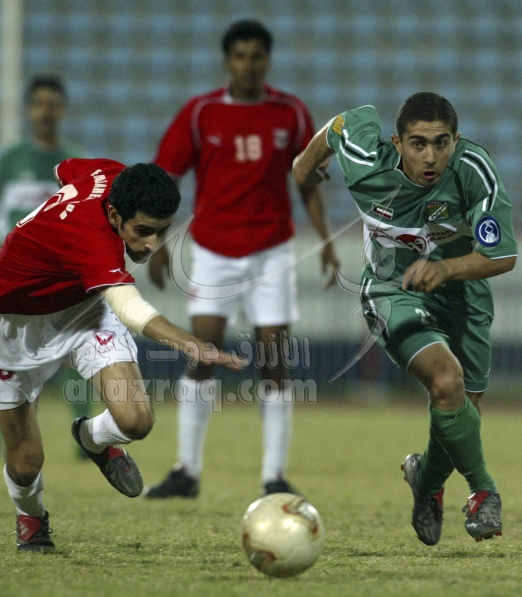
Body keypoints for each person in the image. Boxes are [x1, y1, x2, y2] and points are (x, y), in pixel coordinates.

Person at [0, 159, 246, 552]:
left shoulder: (112, 175)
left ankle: (91, 437)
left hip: (82, 308)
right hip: (11, 328)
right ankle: (31, 516)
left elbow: (65, 169)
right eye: (143, 231)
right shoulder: (92, 241)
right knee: (26, 464)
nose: (151, 243)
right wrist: (193, 344)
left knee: (136, 420)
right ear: (115, 215)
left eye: (162, 231)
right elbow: (130, 309)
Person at [293, 92, 517, 545]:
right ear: (396, 142)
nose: (430, 156)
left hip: (464, 295)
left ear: (456, 140)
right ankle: (484, 492)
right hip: (391, 290)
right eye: (418, 143)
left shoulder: (473, 169)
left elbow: (502, 254)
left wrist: (447, 268)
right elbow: (341, 125)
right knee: (447, 381)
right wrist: (303, 167)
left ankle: (426, 482)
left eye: (441, 143)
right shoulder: (368, 163)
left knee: (462, 412)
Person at [144, 20, 339, 499]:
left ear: (267, 60)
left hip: (271, 251)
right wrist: (158, 242)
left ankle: (274, 475)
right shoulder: (201, 113)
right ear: (227, 61)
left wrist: (326, 240)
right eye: (240, 56)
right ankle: (187, 470)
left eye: (256, 56)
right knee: (202, 352)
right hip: (213, 250)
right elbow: (165, 178)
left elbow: (307, 183)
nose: (249, 65)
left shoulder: (291, 113)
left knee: (273, 360)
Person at [0, 73, 89, 459]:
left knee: (74, 352)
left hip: (59, 278)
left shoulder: (76, 164)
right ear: (29, 109)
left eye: (53, 104)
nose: (45, 111)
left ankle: (83, 433)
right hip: (12, 278)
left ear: (63, 110)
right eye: (39, 103)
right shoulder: (9, 159)